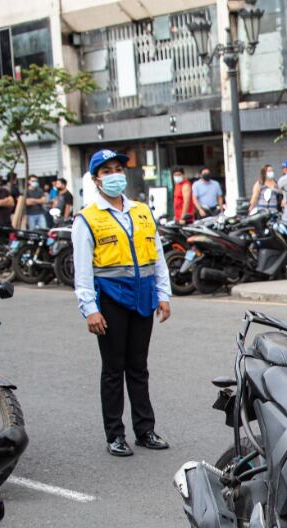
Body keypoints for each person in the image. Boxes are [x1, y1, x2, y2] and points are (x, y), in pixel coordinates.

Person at [71, 149, 172, 457]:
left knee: (139, 368)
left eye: (118, 169)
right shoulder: (87, 219)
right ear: (96, 179)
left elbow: (158, 257)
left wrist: (164, 295)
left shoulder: (141, 211)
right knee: (114, 369)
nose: (115, 175)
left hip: (143, 298)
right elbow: (82, 270)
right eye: (107, 171)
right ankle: (115, 434)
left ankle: (145, 430)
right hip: (111, 301)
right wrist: (90, 309)